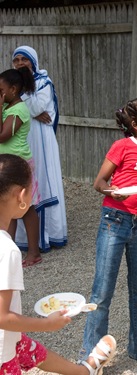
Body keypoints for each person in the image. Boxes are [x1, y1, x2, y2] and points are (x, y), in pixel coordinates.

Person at [0, 153, 117, 375]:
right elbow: (2, 317)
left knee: (29, 349)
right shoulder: (7, 251)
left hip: (11, 340)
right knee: (21, 347)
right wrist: (47, 325)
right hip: (2, 355)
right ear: (21, 195)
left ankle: (83, 371)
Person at [79, 97, 137, 369]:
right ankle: (90, 354)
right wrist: (113, 193)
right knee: (102, 290)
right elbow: (99, 182)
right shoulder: (122, 146)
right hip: (114, 220)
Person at [12, 46, 67, 259]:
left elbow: (37, 108)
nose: (19, 64)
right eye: (16, 60)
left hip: (42, 141)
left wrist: (25, 106)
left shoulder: (44, 82)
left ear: (33, 61)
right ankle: (23, 239)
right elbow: (31, 110)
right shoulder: (14, 86)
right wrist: (31, 111)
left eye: (23, 59)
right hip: (23, 140)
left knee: (43, 180)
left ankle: (50, 235)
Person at [0, 68, 41, 268]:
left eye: (1, 90)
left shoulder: (18, 110)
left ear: (13, 89)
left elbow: (3, 135)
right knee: (8, 206)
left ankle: (34, 252)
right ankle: (8, 250)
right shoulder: (9, 108)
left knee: (27, 208)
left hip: (18, 164)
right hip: (8, 163)